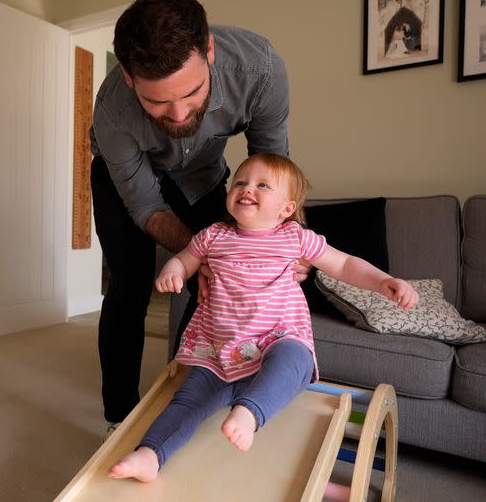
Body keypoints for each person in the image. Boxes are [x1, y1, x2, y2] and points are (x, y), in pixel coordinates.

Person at [108, 153, 419, 482]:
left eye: (262, 185)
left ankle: (248, 413)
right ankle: (150, 455)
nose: (246, 188)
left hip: (277, 338)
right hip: (221, 348)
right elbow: (184, 260)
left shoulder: (295, 237)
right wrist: (172, 271)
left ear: (286, 208)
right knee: (186, 401)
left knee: (295, 359)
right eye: (239, 182)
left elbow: (343, 265)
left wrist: (384, 281)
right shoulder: (214, 235)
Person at [90, 0, 297, 430]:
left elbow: (274, 175)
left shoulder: (259, 70)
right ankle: (118, 417)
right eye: (158, 102)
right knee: (130, 284)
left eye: (192, 93)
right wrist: (202, 252)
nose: (180, 115)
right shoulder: (111, 112)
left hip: (202, 171)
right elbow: (146, 206)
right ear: (129, 77)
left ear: (209, 50)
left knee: (213, 284)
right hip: (124, 177)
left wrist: (283, 246)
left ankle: (192, 398)